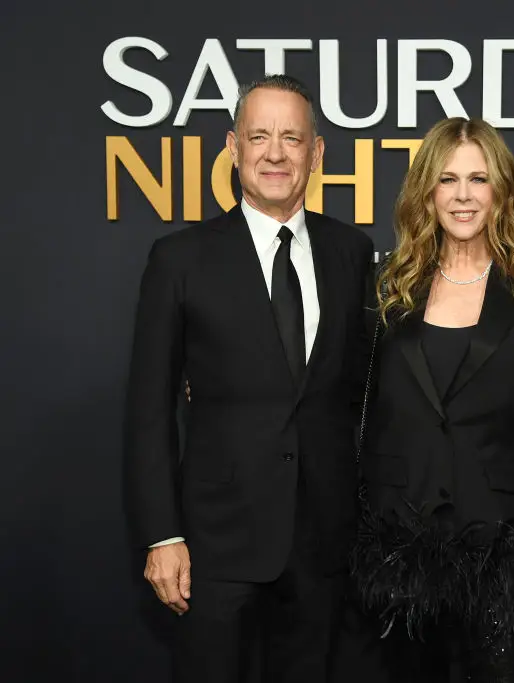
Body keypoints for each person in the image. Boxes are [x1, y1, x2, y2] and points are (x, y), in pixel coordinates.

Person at [122, 74, 373, 683]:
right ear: (233, 147)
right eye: (259, 136)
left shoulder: (352, 253)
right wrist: (162, 536)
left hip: (323, 542)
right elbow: (149, 410)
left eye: (292, 137)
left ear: (317, 153)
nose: (275, 153)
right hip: (214, 545)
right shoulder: (179, 259)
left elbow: (362, 394)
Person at [351, 117, 514, 682]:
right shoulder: (385, 288)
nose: (462, 195)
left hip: (500, 540)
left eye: (477, 179)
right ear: (425, 191)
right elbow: (343, 395)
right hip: (401, 540)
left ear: (501, 189)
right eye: (447, 179)